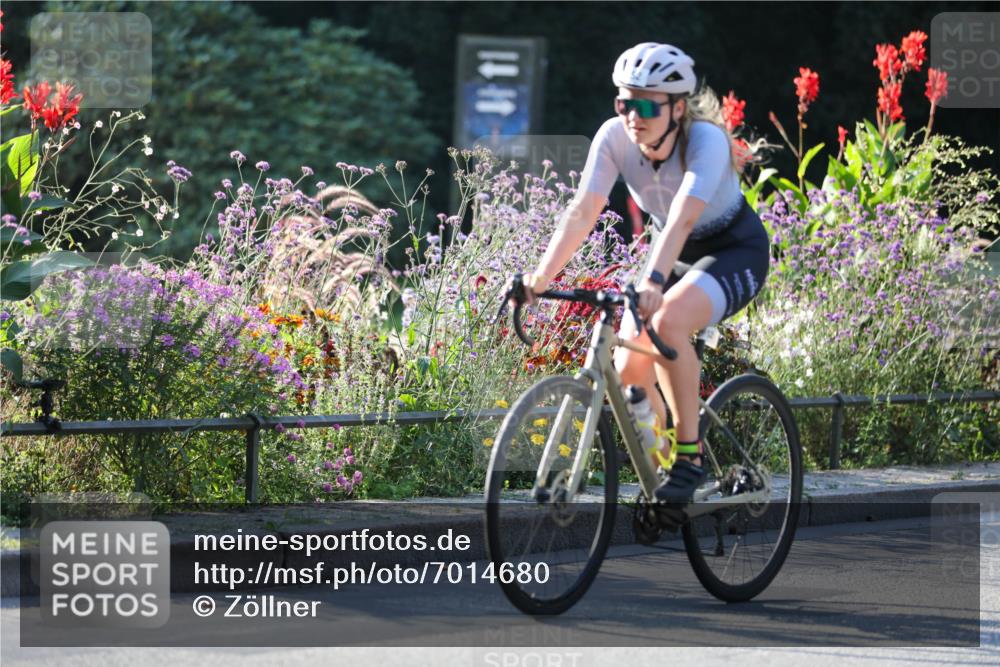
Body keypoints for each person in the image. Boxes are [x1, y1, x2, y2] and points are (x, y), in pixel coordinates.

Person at [507, 42, 771, 504]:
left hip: (733, 249)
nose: (633, 115)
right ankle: (665, 476)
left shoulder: (704, 141)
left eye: (647, 104)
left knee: (667, 322)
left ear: (678, 108)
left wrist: (651, 283)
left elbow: (684, 218)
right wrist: (541, 279)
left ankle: (689, 458)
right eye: (625, 102)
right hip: (672, 252)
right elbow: (584, 210)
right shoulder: (613, 138)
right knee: (629, 361)